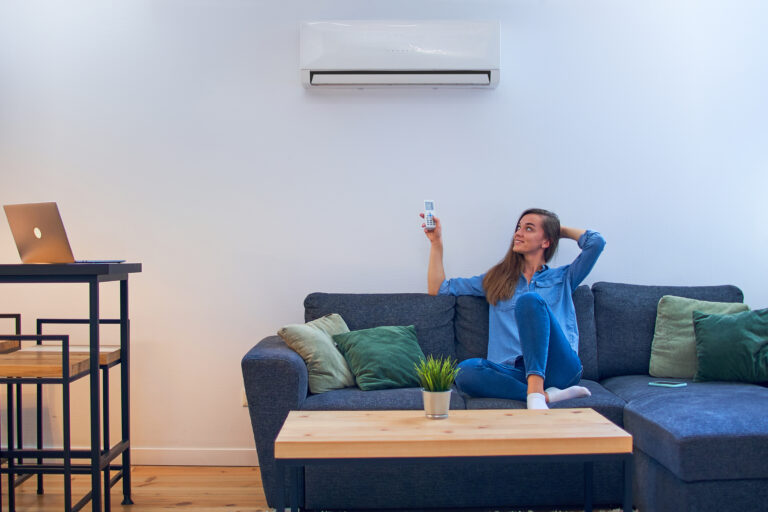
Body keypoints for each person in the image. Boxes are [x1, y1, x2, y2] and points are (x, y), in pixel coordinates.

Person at [421, 208, 606, 409]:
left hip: (559, 367)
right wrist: (436, 243)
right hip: (514, 372)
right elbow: (439, 289)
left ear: (546, 241)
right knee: (464, 371)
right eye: (518, 227)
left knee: (530, 301)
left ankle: (535, 392)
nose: (518, 233)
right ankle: (543, 396)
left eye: (528, 228)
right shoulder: (496, 280)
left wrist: (556, 230)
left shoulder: (564, 278)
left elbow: (596, 243)